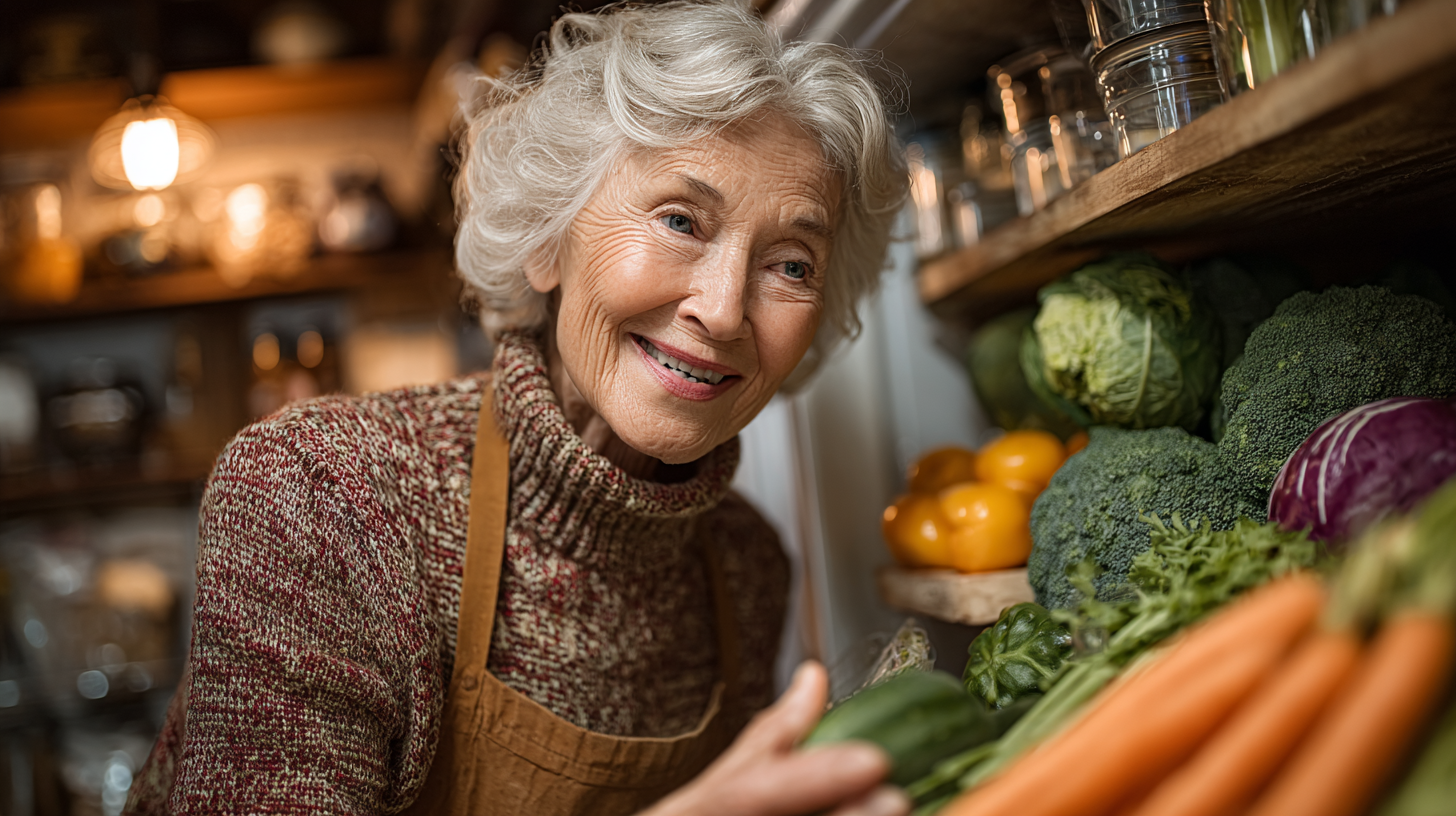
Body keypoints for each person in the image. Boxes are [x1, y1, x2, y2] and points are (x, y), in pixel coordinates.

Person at [125, 2, 909, 814]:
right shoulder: (322, 495)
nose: (722, 308)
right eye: (679, 220)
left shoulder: (749, 565)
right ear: (546, 236)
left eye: (790, 265)